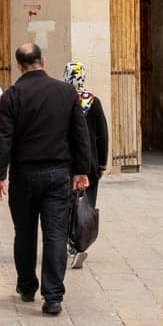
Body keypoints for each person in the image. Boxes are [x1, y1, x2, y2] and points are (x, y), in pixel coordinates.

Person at [0, 44, 91, 316]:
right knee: (55, 234)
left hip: (23, 175)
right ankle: (53, 296)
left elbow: (4, 136)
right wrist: (82, 170)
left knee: (24, 232)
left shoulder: (12, 95)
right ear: (43, 60)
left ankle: (26, 286)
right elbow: (79, 134)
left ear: (19, 65)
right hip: (58, 174)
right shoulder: (66, 92)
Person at [63, 60, 109, 268]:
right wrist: (101, 163)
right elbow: (102, 134)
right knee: (86, 206)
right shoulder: (93, 101)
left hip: (66, 163)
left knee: (65, 205)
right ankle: (81, 244)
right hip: (89, 164)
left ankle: (67, 244)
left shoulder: (61, 98)